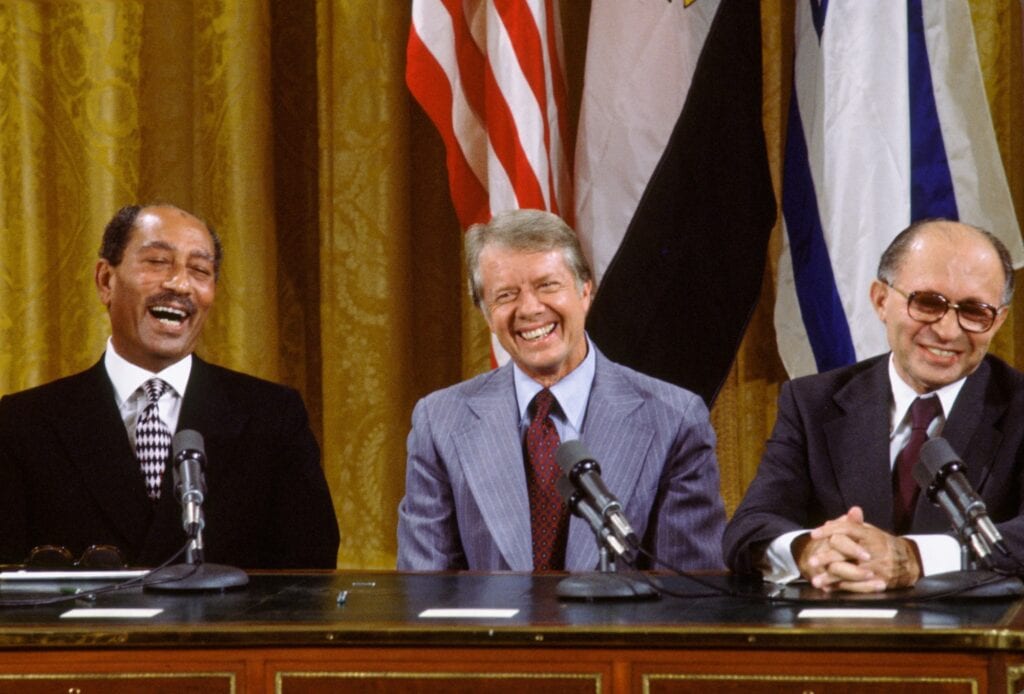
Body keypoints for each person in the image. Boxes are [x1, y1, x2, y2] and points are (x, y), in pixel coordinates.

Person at [0, 204, 340, 569]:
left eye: (199, 270)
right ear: (105, 281)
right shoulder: (22, 423)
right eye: (158, 262)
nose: (179, 284)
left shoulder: (272, 417)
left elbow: (310, 576)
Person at [397, 209, 726, 571]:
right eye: (506, 295)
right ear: (487, 315)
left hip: (618, 627)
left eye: (547, 285)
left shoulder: (673, 418)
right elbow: (424, 591)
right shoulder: (440, 421)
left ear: (585, 291)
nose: (530, 309)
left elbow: (687, 596)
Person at [724, 218, 1024, 592]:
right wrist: (810, 551)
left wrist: (914, 559)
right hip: (839, 640)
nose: (948, 330)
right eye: (928, 303)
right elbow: (750, 527)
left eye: (974, 311)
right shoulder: (813, 402)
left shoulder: (1017, 407)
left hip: (978, 640)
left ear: (999, 321)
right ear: (881, 300)